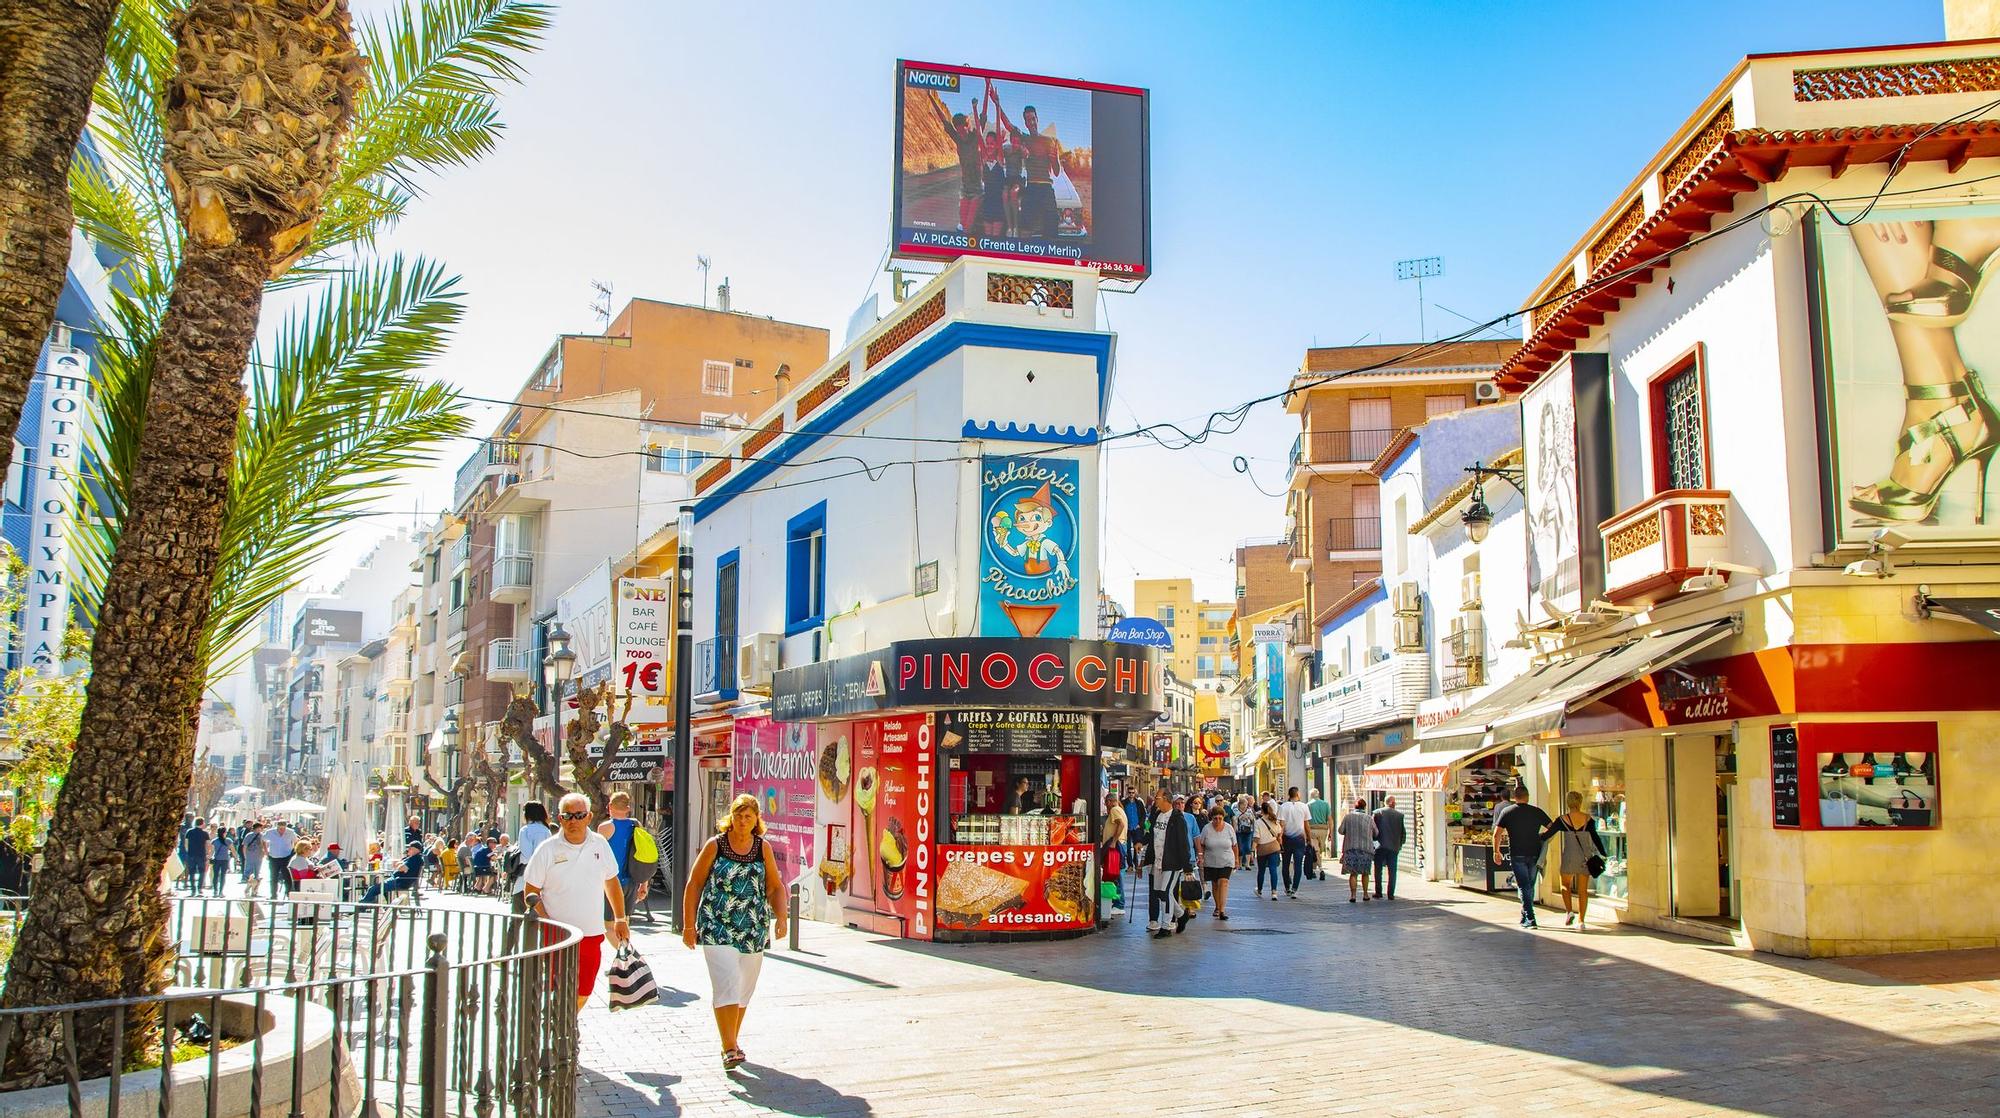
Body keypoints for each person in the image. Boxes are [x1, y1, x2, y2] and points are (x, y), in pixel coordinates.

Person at [681, 793, 785, 1071]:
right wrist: (689, 926)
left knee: (743, 989)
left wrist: (782, 918)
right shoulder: (716, 845)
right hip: (717, 925)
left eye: (748, 816)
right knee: (726, 983)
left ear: (756, 819)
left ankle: (731, 1042)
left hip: (752, 927)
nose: (742, 820)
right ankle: (729, 1048)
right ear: (731, 816)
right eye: (738, 815)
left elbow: (774, 886)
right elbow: (694, 884)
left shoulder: (763, 848)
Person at [524, 793, 628, 1010]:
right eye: (567, 816)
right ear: (560, 819)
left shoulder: (599, 844)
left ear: (589, 817)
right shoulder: (547, 849)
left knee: (584, 990)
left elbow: (611, 881)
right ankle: (559, 1024)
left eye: (579, 815)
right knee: (559, 987)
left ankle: (567, 1021)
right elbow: (531, 891)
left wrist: (620, 918)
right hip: (558, 935)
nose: (573, 821)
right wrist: (547, 923)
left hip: (591, 933)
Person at [1492, 785, 1554, 930]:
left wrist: (1496, 851)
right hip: (1534, 853)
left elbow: (1497, 834)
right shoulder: (1536, 811)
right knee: (1529, 886)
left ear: (1514, 797)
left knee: (1524, 886)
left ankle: (1530, 918)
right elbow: (1552, 826)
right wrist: (1542, 837)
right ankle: (1525, 914)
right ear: (1528, 797)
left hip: (1517, 853)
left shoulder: (1507, 812)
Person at [1548, 791, 1609, 929]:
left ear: (1568, 803)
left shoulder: (1562, 819)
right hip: (1585, 858)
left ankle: (1569, 912)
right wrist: (1603, 853)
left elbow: (1547, 835)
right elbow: (1596, 838)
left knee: (1565, 885)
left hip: (1569, 856)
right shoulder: (1588, 819)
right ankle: (1581, 921)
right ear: (1580, 802)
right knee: (1583, 890)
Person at [1143, 789, 1195, 939]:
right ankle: (1181, 915)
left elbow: (1183, 843)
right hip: (1158, 862)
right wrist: (1141, 842)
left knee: (1165, 892)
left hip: (1172, 862)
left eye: (1157, 798)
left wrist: (1187, 867)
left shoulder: (1177, 818)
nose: (1155, 800)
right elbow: (1150, 834)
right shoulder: (1156, 815)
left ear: (1166, 799)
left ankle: (1166, 926)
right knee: (1160, 893)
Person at [512, 801, 554, 915]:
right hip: (544, 880)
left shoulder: (525, 830)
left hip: (525, 880)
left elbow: (526, 856)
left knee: (517, 917)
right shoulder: (546, 831)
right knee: (540, 917)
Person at [1196, 807, 1237, 920]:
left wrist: (1236, 860)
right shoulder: (1206, 829)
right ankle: (1217, 906)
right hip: (1211, 861)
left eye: (1220, 818)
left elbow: (1234, 845)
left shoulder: (1229, 828)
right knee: (1215, 884)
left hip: (1226, 860)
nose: (1218, 821)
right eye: (1215, 818)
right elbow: (1202, 844)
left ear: (1223, 818)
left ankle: (1222, 910)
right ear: (1211, 818)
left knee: (1223, 882)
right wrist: (1201, 856)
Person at [1275, 787, 1313, 898]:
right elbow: (1306, 825)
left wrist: (1279, 838)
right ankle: (1294, 888)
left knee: (1285, 864)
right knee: (1298, 864)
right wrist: (1309, 839)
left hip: (1286, 838)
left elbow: (1281, 824)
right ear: (1297, 794)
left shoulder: (1283, 807)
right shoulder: (1304, 806)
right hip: (1299, 839)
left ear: (1289, 794)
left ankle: (1287, 887)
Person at [1337, 798, 1377, 903]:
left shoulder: (1348, 817)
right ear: (1365, 807)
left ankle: (1353, 895)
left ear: (1355, 806)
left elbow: (1340, 830)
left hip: (1351, 848)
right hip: (1365, 849)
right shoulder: (1369, 818)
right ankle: (1365, 894)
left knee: (1353, 873)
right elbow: (1376, 832)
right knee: (1365, 873)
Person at [361, 840, 424, 905]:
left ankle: (362, 906)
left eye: (410, 848)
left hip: (401, 882)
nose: (408, 850)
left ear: (416, 850)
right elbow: (396, 865)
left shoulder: (415, 859)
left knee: (373, 889)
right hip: (399, 880)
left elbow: (401, 868)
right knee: (378, 884)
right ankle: (385, 905)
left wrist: (400, 865)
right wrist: (400, 864)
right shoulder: (412, 858)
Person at [1372, 795, 1408, 900]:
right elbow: (1403, 832)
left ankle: (1378, 892)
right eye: (1395, 802)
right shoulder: (1400, 815)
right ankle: (1391, 894)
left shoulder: (1377, 813)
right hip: (1394, 847)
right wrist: (1400, 844)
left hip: (1380, 846)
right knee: (1392, 871)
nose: (1395, 803)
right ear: (1392, 803)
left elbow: (1372, 829)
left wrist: (1373, 842)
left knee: (1378, 870)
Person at [1099, 792, 1127, 915]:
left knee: (1116, 874)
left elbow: (1121, 824)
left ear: (1110, 801)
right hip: (1119, 844)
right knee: (1116, 874)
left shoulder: (1115, 810)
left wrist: (1114, 841)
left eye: (1106, 803)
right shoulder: (1119, 810)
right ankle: (1117, 902)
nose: (1106, 805)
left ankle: (1119, 904)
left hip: (1117, 845)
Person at [1251, 801, 1283, 899]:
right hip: (1274, 847)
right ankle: (1274, 892)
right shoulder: (1274, 820)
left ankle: (1259, 890)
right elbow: (1279, 832)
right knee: (1273, 870)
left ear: (1261, 810)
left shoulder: (1258, 822)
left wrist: (1252, 850)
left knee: (1261, 871)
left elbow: (1256, 838)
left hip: (1262, 849)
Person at [263, 819, 296, 897]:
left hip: (286, 856)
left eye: (284, 828)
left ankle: (288, 893)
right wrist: (266, 852)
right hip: (273, 856)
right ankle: (273, 894)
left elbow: (295, 841)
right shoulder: (270, 832)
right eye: (280, 828)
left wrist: (292, 850)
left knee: (287, 876)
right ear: (277, 827)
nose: (282, 830)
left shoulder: (290, 832)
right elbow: (263, 840)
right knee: (273, 876)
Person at [1307, 788, 1333, 877]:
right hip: (1323, 830)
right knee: (1318, 851)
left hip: (1312, 829)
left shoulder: (1308, 805)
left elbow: (1306, 821)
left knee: (1315, 850)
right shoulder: (1325, 804)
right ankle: (1314, 870)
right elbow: (1330, 819)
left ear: (1311, 795)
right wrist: (1331, 832)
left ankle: (1321, 869)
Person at [181, 816, 209, 895]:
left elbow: (186, 843)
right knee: (202, 872)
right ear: (202, 823)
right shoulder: (205, 833)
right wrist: (207, 854)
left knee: (192, 872)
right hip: (201, 855)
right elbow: (207, 844)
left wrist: (188, 851)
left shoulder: (189, 832)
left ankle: (193, 890)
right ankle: (199, 888)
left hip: (191, 855)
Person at [208, 822, 232, 895]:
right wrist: (236, 858)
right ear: (224, 833)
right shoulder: (228, 840)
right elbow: (233, 850)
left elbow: (212, 851)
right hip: (225, 860)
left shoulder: (214, 841)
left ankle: (215, 891)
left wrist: (209, 858)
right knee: (223, 876)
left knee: (215, 876)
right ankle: (221, 891)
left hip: (216, 860)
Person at [1234, 794, 1256, 869]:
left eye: (1246, 804)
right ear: (1239, 805)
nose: (1245, 806)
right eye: (1243, 804)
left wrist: (1249, 817)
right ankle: (1240, 864)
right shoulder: (1235, 811)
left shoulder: (1249, 810)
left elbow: (1253, 820)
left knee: (1248, 847)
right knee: (1240, 848)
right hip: (1239, 831)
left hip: (1248, 830)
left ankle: (1247, 864)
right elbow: (1234, 819)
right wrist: (1240, 817)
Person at [240, 822, 264, 889]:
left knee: (257, 870)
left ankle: (255, 884)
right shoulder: (249, 835)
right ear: (256, 828)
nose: (261, 829)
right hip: (250, 854)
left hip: (258, 855)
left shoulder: (262, 835)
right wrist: (245, 855)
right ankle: (247, 881)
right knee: (248, 869)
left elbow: (263, 845)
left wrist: (263, 853)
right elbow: (245, 846)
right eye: (260, 828)